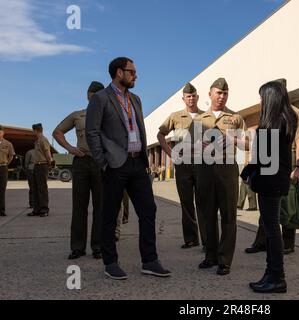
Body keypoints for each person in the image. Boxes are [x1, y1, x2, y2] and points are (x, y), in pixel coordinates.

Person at [86, 57, 170, 280]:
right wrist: (103, 162)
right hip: (114, 165)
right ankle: (110, 262)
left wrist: (144, 158)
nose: (136, 76)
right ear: (118, 72)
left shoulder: (136, 99)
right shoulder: (101, 99)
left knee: (148, 210)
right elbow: (92, 132)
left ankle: (150, 261)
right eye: (132, 72)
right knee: (110, 215)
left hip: (137, 163)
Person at [241, 80, 298, 293]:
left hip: (270, 183)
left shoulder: (272, 123)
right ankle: (271, 273)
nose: (260, 101)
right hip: (278, 181)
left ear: (270, 99)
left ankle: (276, 277)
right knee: (272, 229)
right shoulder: (286, 119)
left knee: (272, 231)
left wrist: (246, 174)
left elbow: (261, 159)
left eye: (262, 97)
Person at [244, 78, 299, 255]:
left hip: (284, 164)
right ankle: (262, 242)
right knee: (269, 214)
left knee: (285, 209)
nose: (260, 101)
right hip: (272, 167)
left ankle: (285, 246)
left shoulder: (292, 114)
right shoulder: (271, 114)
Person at [197, 77, 247, 276]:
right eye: (218, 93)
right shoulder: (199, 120)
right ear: (210, 94)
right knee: (208, 213)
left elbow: (247, 144)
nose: (222, 96)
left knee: (228, 215)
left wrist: (231, 139)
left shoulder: (236, 118)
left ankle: (225, 260)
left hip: (227, 168)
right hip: (206, 168)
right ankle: (210, 256)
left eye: (225, 93)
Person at [53, 81, 105, 260]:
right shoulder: (77, 115)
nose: (95, 96)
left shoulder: (108, 115)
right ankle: (77, 247)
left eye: (99, 93)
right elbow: (57, 132)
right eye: (92, 93)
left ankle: (98, 246)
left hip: (101, 163)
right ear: (88, 95)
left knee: (101, 206)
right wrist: (70, 148)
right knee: (79, 206)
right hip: (81, 162)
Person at [157, 83, 206, 249]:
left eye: (193, 96)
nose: (191, 99)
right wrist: (170, 154)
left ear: (197, 97)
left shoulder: (206, 116)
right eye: (188, 96)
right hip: (183, 165)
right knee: (186, 202)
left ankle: (208, 241)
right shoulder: (175, 117)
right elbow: (160, 134)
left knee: (203, 203)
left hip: (202, 164)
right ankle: (191, 238)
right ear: (183, 99)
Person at [27, 123, 52, 217]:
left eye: (33, 130)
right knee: (35, 188)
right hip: (37, 165)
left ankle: (44, 209)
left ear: (35, 130)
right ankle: (36, 209)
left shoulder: (43, 139)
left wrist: (49, 164)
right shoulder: (37, 141)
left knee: (42, 189)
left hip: (42, 165)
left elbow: (47, 153)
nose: (32, 132)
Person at [0, 125, 15, 217]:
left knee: (2, 189)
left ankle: (1, 210)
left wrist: (6, 163)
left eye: (0, 132)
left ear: (3, 133)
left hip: (3, 168)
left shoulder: (8, 144)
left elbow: (11, 155)